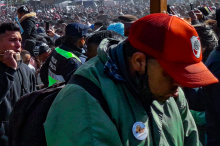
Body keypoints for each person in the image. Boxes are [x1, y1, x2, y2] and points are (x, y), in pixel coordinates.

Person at [44, 13, 214, 145]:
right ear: (139, 61)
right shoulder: (84, 99)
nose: (180, 84)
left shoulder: (171, 93)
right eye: (173, 74)